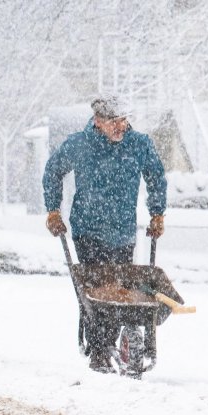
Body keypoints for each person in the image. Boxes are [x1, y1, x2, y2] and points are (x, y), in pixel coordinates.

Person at [42, 95, 167, 373]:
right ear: (98, 121)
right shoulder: (81, 144)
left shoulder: (139, 144)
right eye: (114, 121)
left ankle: (109, 346)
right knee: (97, 291)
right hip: (88, 229)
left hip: (123, 232)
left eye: (124, 120)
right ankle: (98, 351)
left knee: (118, 293)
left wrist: (157, 213)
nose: (121, 126)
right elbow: (53, 171)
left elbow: (156, 176)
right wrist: (53, 210)